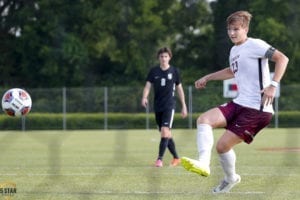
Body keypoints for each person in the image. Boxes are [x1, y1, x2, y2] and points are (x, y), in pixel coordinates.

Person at [181, 11, 289, 193]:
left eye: (236, 29)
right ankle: (204, 164)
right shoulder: (234, 50)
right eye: (229, 30)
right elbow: (232, 71)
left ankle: (230, 179)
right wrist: (208, 77)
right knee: (204, 120)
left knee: (222, 146)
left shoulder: (255, 44)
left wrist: (273, 85)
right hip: (240, 102)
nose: (232, 33)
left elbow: (282, 58)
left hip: (258, 109)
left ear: (245, 29)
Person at [141, 47, 188, 167]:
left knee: (164, 131)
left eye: (166, 56)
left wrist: (184, 105)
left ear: (169, 58)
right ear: (158, 58)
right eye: (161, 56)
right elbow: (147, 86)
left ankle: (159, 160)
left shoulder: (174, 71)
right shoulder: (153, 71)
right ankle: (176, 158)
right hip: (157, 106)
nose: (163, 59)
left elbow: (179, 89)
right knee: (166, 134)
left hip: (169, 105)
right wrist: (144, 97)